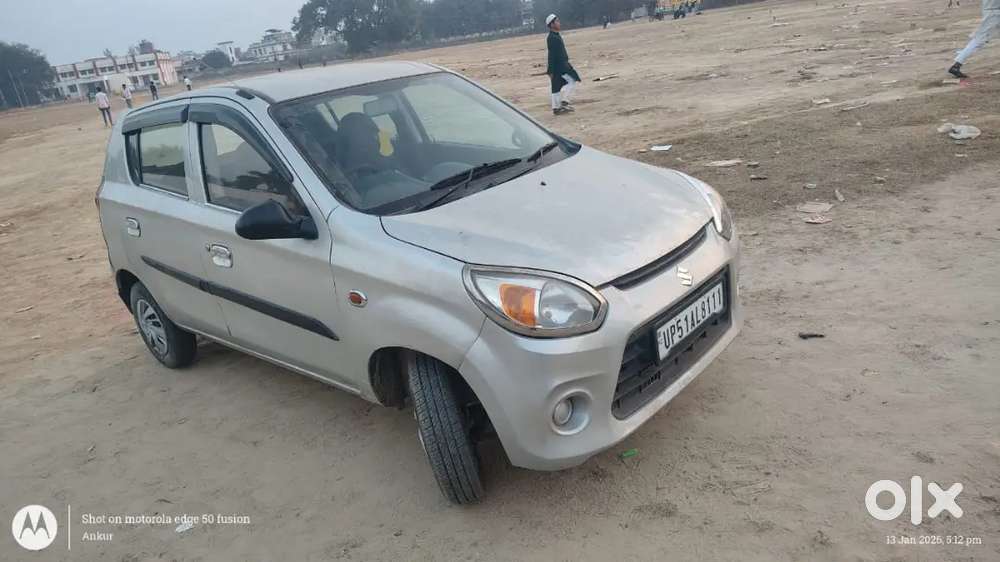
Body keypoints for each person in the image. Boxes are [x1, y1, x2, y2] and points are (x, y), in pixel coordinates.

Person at [949, 0, 999, 78]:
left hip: (992, 12)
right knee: (978, 42)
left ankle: (957, 65)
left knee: (978, 41)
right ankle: (956, 66)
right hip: (994, 14)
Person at [545, 14, 581, 116]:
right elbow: (551, 54)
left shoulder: (555, 35)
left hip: (561, 65)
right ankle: (564, 102)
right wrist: (550, 70)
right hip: (559, 66)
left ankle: (556, 107)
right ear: (552, 24)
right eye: (557, 21)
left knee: (556, 86)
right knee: (572, 80)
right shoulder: (552, 37)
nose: (559, 23)